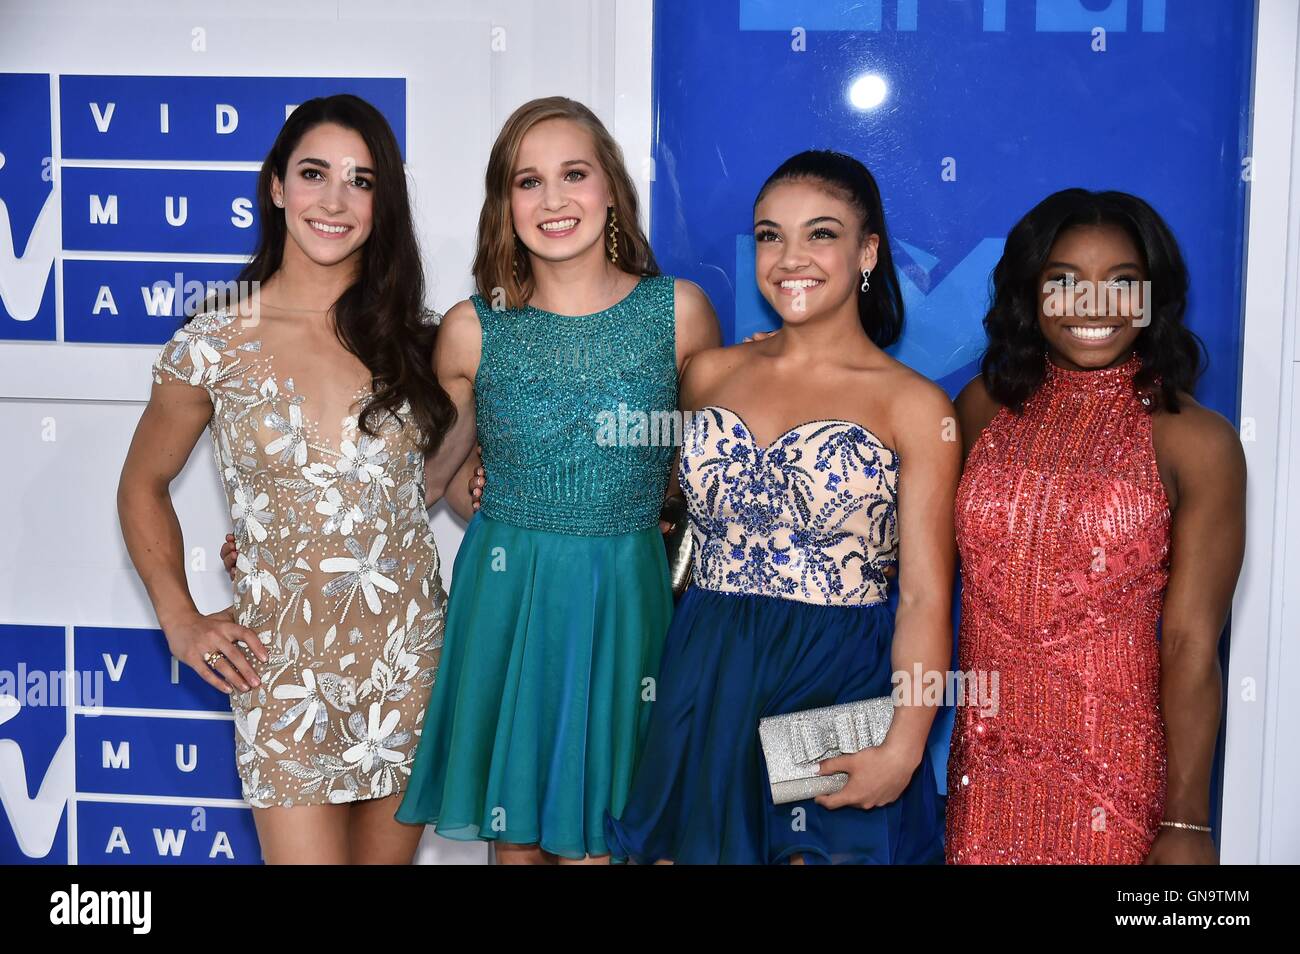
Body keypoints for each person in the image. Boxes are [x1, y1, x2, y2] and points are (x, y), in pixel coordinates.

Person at [119, 94, 459, 864]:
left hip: (408, 666)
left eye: (361, 181)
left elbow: (442, 479)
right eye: (313, 174)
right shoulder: (212, 343)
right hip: (283, 674)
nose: (334, 201)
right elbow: (140, 484)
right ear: (276, 186)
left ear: (384, 203)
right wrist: (180, 617)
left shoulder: (420, 340)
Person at [597, 150, 955, 864]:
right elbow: (667, 514)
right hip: (709, 664)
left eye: (821, 234)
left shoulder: (913, 405)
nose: (791, 257)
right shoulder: (710, 374)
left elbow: (922, 600)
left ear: (868, 251)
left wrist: (906, 745)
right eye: (769, 235)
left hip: (834, 674)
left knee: (817, 853)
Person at [945, 189, 1245, 864]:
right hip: (984, 773)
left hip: (1116, 782)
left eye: (1123, 284)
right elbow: (916, 580)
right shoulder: (984, 407)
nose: (1094, 306)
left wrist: (1189, 823)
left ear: (1153, 297)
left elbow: (1193, 644)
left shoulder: (1196, 441)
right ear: (1031, 293)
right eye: (1064, 282)